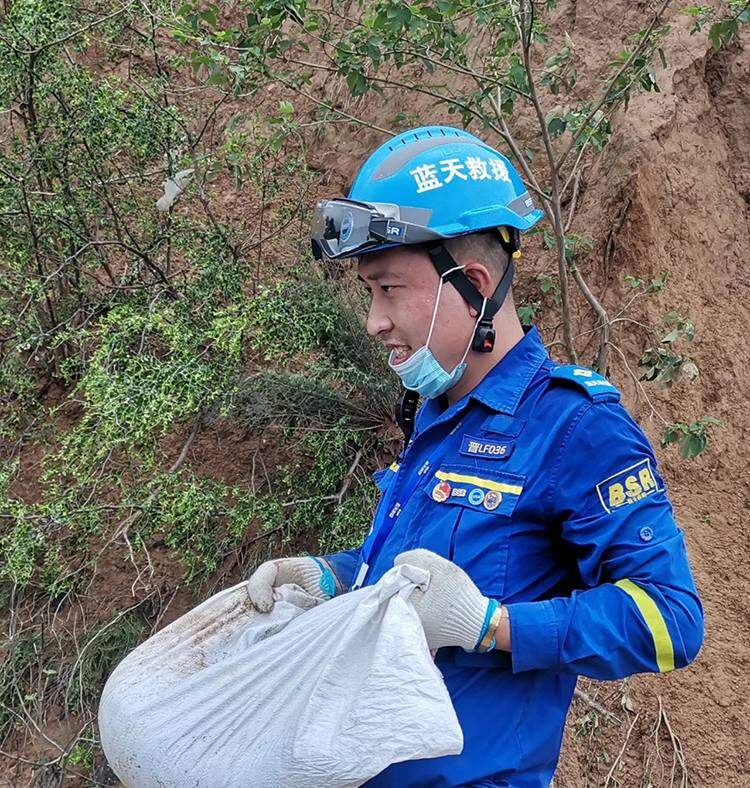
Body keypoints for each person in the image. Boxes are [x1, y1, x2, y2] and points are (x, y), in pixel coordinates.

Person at [246, 126, 704, 787]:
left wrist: (495, 626)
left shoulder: (576, 428)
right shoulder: (440, 410)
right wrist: (334, 577)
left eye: (388, 289)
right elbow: (420, 579)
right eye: (369, 292)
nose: (374, 320)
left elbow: (673, 620)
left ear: (474, 284)